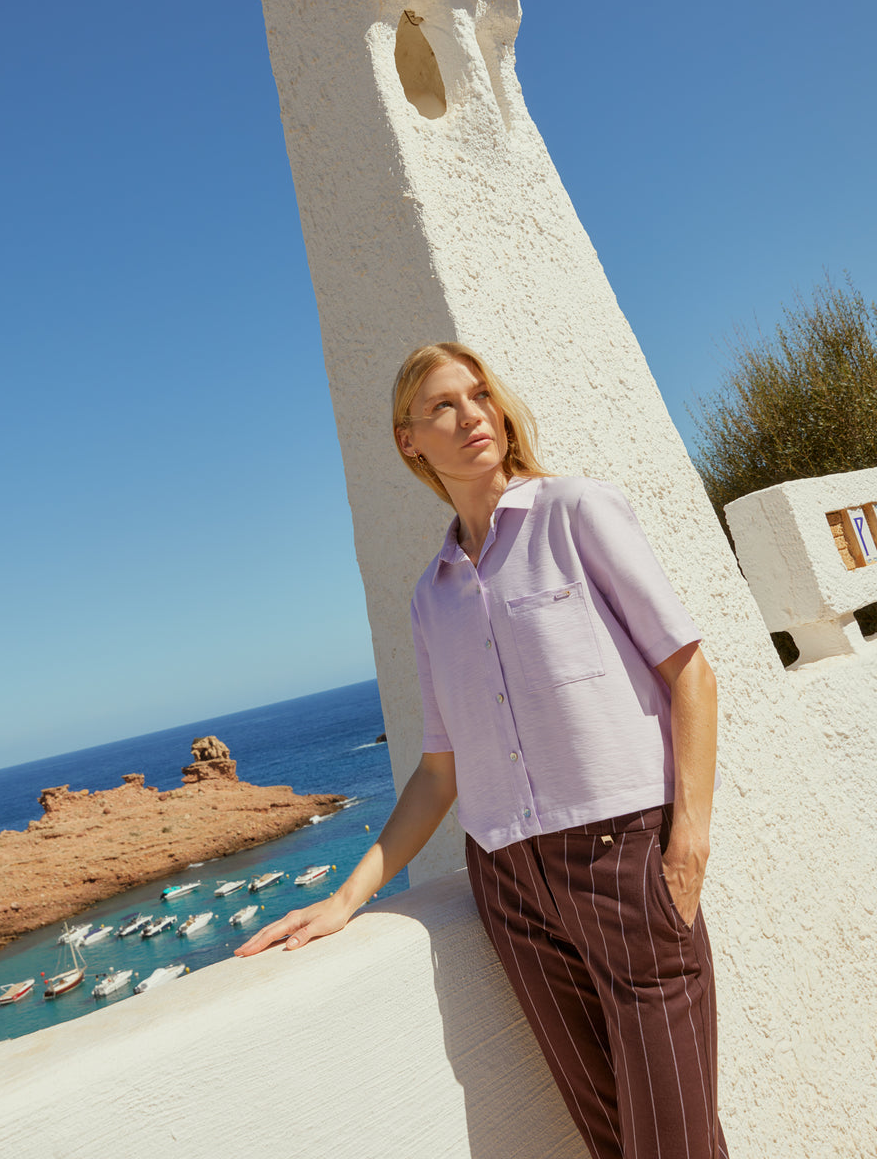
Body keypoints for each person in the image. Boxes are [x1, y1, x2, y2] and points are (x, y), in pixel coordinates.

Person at [236, 342, 727, 1159]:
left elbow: (692, 674)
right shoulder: (431, 594)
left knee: (674, 1142)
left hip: (624, 859)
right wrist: (348, 897)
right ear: (409, 441)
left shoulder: (575, 513)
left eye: (479, 396)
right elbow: (439, 770)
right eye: (443, 406)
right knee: (612, 1141)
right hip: (508, 885)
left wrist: (689, 843)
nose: (471, 416)